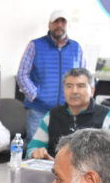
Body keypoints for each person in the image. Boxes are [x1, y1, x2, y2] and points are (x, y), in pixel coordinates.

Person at [17, 9, 86, 143]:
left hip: (67, 112)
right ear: (49, 25)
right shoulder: (35, 45)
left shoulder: (76, 48)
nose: (59, 25)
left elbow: (82, 76)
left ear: (67, 24)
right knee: (36, 149)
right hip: (39, 111)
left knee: (65, 150)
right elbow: (22, 74)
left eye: (63, 22)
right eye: (56, 22)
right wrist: (35, 94)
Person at [27, 67, 110, 159]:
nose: (74, 91)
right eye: (69, 86)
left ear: (92, 91)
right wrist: (35, 153)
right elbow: (32, 149)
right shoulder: (51, 116)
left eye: (80, 86)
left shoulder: (107, 117)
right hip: (54, 167)